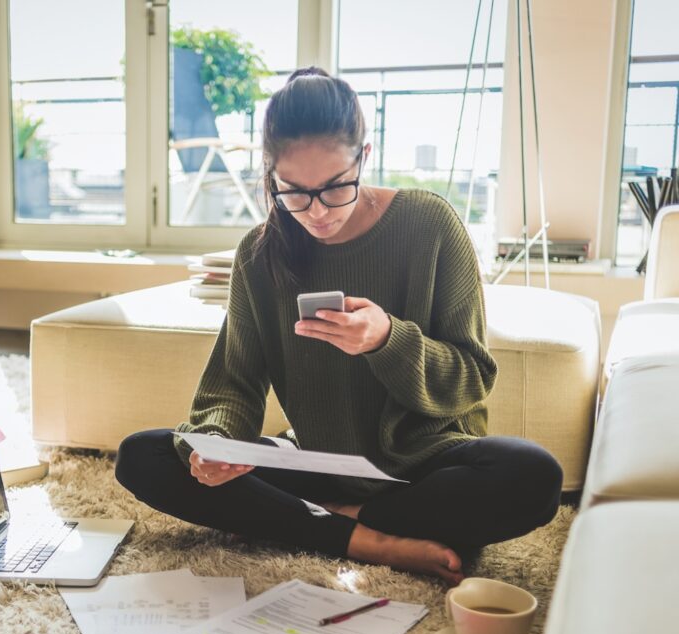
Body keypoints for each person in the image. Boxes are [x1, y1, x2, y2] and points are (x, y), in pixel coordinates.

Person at [115, 67, 562, 585]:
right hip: (316, 460)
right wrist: (215, 445)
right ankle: (372, 539)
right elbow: (234, 383)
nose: (317, 212)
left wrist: (387, 339)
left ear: (364, 158)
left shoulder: (430, 226)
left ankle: (322, 520)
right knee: (145, 455)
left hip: (421, 464)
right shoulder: (259, 256)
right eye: (294, 192)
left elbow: (471, 379)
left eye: (335, 188)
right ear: (271, 174)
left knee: (532, 475)